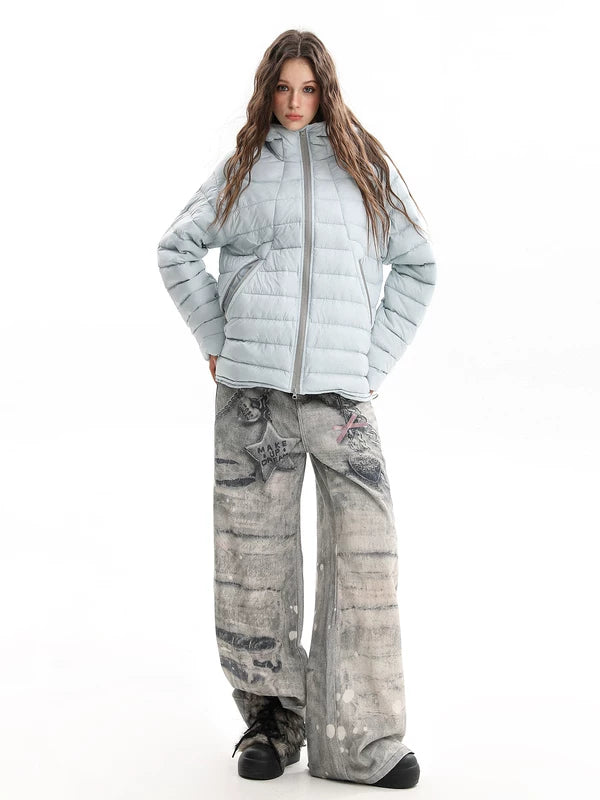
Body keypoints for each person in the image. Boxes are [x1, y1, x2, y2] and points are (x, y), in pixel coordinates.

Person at [157, 29, 436, 789]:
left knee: (365, 562)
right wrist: (218, 340)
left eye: (307, 89)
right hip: (254, 397)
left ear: (327, 91)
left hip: (342, 400)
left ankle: (361, 741)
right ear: (266, 91)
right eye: (283, 88)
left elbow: (418, 266)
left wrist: (370, 363)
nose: (294, 102)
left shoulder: (366, 171)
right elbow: (177, 249)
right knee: (255, 564)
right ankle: (272, 724)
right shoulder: (243, 170)